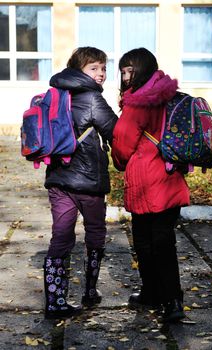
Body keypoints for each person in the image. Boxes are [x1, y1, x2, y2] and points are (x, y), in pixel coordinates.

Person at [111, 47, 190, 323]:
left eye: (127, 70)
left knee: (146, 243)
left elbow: (122, 144)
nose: (123, 76)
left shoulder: (137, 104)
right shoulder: (169, 96)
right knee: (165, 243)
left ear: (138, 71)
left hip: (147, 185)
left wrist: (120, 162)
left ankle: (154, 294)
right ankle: (172, 300)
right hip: (171, 180)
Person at [43, 47, 118, 319]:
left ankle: (55, 300)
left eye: (103, 68)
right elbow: (115, 131)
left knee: (60, 237)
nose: (100, 74)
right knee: (95, 234)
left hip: (58, 180)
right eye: (93, 68)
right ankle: (89, 290)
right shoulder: (92, 99)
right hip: (89, 182)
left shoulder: (55, 94)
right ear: (79, 71)